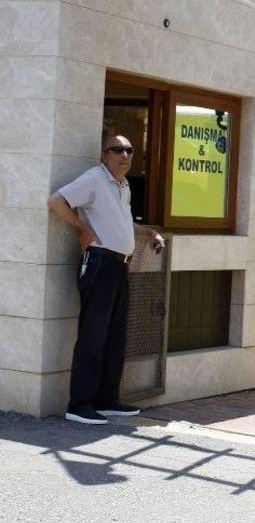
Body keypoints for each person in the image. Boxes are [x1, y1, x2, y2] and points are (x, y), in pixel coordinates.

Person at [47, 134, 165, 425]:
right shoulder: (95, 179)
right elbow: (56, 202)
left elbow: (120, 223)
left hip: (120, 266)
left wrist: (149, 233)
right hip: (100, 264)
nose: (124, 155)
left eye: (129, 150)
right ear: (104, 154)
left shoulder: (122, 186)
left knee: (115, 335)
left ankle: (106, 399)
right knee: (93, 334)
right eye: (117, 150)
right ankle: (79, 404)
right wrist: (82, 229)